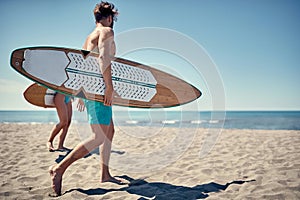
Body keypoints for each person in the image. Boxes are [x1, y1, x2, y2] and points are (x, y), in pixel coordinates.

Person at [49, 2, 123, 196]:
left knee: (110, 130)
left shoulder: (88, 38)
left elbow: (82, 66)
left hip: (91, 90)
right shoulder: (107, 31)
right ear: (109, 18)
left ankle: (105, 174)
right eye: (113, 19)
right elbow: (103, 59)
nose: (112, 23)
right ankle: (59, 169)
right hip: (99, 89)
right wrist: (109, 87)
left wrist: (81, 93)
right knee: (99, 136)